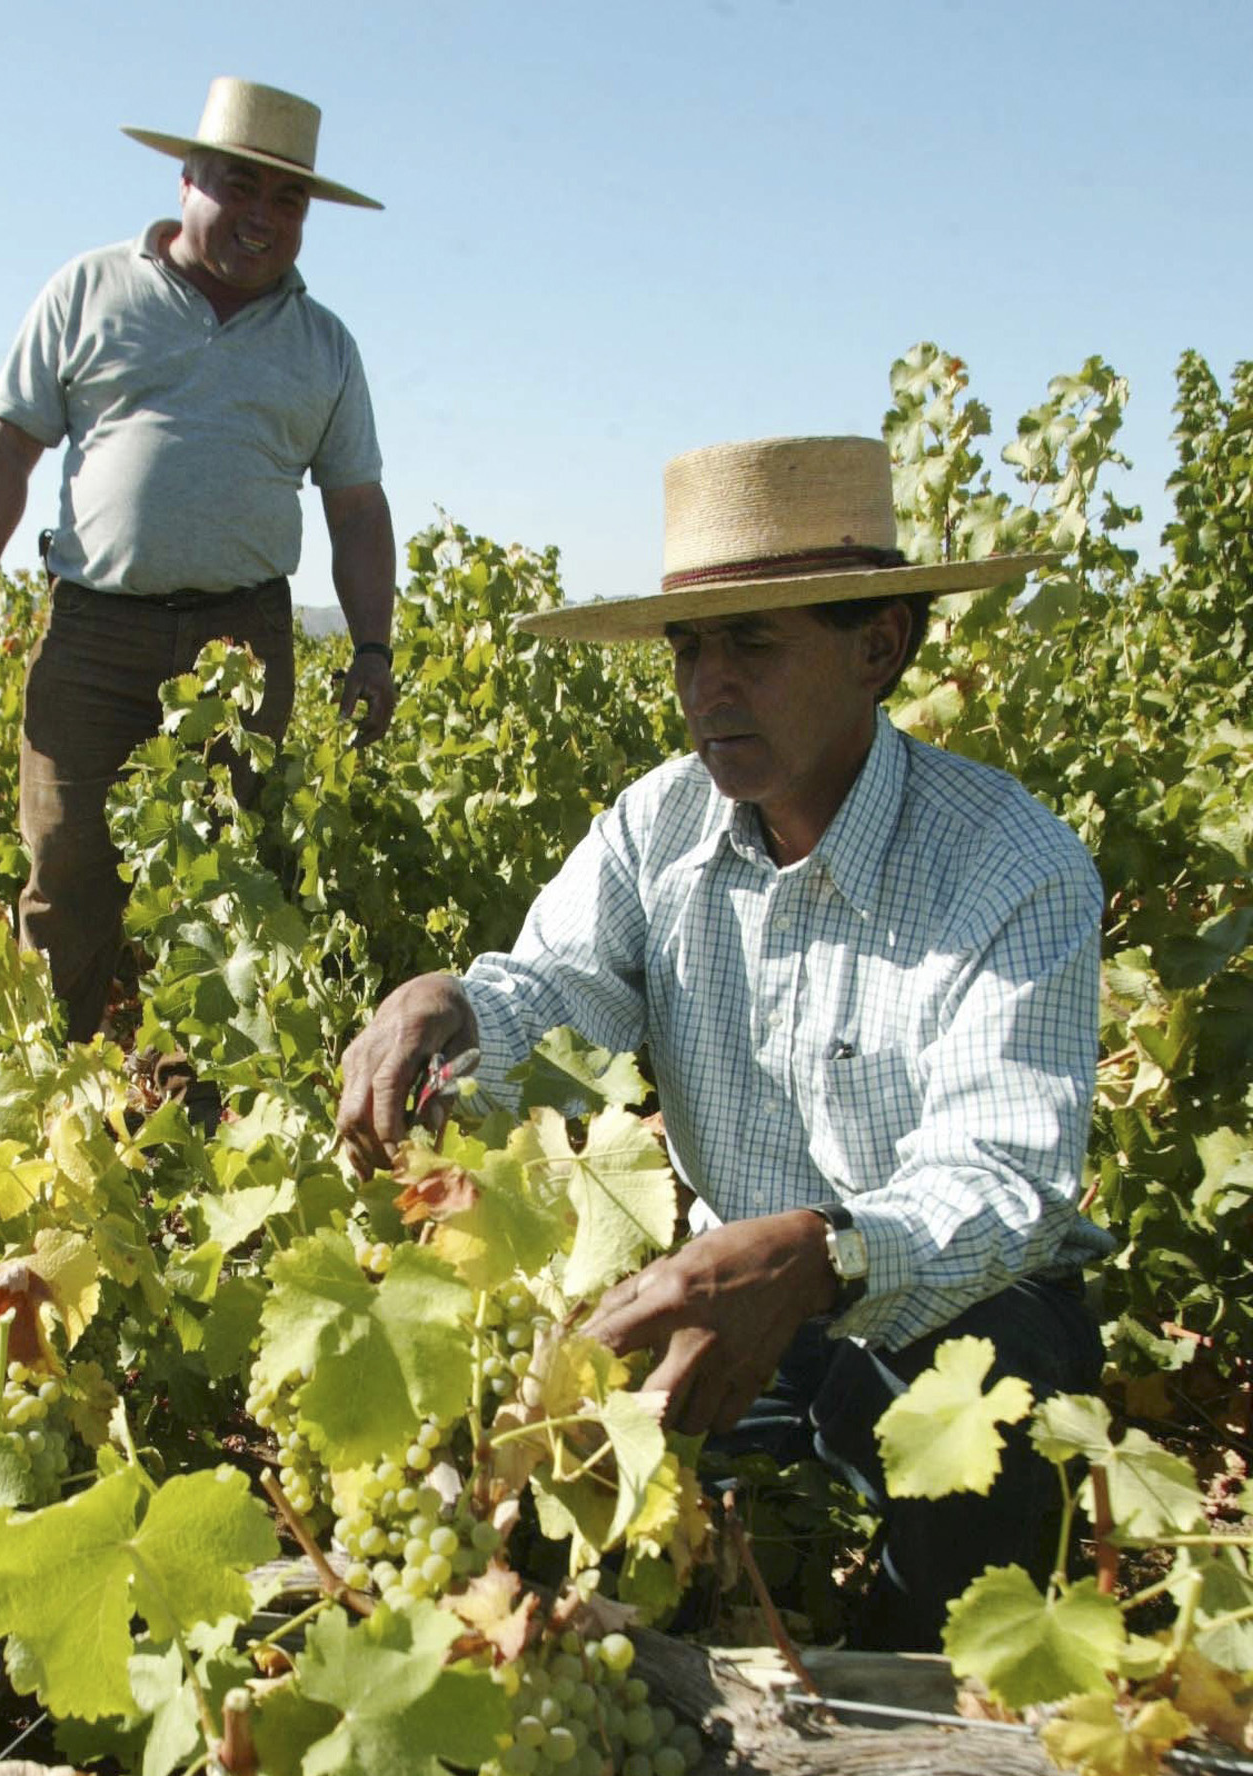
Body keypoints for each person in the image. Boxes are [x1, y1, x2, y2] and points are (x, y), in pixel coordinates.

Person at [337, 434, 1112, 1648]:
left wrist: (820, 1254)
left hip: (946, 1299)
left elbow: (1002, 1177)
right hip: (719, 1288)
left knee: (985, 1495)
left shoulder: (1008, 865)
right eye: (689, 647)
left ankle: (948, 1767)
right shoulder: (660, 824)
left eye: (750, 641)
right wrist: (450, 1004)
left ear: (879, 646)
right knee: (605, 1533)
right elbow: (552, 986)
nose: (708, 684)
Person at [0, 78, 397, 1040]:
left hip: (244, 644)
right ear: (186, 180)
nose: (263, 217)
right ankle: (50, 1095)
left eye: (288, 199)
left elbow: (356, 511)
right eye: (240, 185)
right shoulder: (89, 289)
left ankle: (196, 1111)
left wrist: (373, 651)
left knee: (222, 883)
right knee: (66, 869)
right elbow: (8, 445)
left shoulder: (324, 345)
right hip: (95, 633)